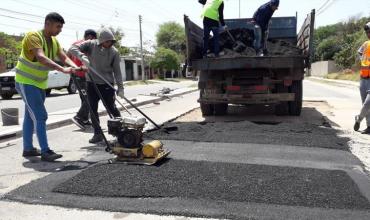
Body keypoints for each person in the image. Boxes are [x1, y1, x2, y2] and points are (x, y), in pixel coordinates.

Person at [15, 12, 78, 161]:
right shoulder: (33, 36)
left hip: (39, 83)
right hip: (26, 82)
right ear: (48, 23)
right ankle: (45, 151)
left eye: (61, 27)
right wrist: (62, 69)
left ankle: (28, 149)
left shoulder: (54, 41)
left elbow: (63, 56)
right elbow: (41, 57)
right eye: (58, 27)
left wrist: (75, 66)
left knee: (30, 117)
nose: (60, 30)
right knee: (40, 115)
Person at [69, 28, 124, 144]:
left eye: (111, 42)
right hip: (92, 83)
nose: (109, 44)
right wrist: (81, 56)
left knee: (112, 108)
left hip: (107, 84)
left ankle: (121, 132)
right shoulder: (90, 45)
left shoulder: (114, 52)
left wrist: (121, 88)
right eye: (107, 41)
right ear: (101, 40)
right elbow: (72, 48)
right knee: (92, 109)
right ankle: (97, 133)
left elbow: (117, 72)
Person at [68, 29, 97, 129]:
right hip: (80, 76)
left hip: (79, 75)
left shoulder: (75, 44)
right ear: (90, 37)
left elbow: (67, 56)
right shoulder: (86, 45)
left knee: (85, 98)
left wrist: (70, 67)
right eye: (94, 39)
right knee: (89, 98)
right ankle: (79, 117)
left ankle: (84, 119)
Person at [354, 22, 370, 134]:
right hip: (363, 78)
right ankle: (369, 127)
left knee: (367, 103)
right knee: (366, 104)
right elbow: (359, 53)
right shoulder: (365, 44)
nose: (368, 34)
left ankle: (358, 119)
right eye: (367, 32)